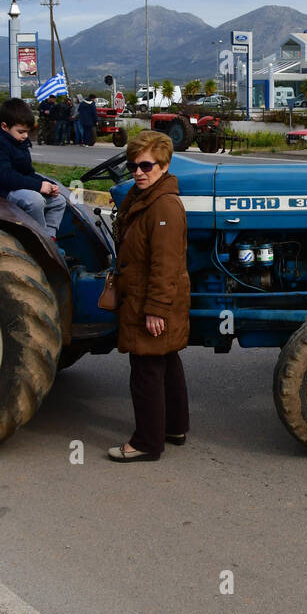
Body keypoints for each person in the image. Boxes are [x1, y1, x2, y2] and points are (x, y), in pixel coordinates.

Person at [109, 129, 190, 462]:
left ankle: (146, 443)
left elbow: (166, 265)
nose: (138, 172)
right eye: (133, 166)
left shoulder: (164, 207)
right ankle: (173, 427)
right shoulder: (144, 197)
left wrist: (156, 309)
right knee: (165, 362)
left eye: (146, 166)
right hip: (147, 296)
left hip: (151, 300)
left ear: (165, 165)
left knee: (146, 370)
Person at [0, 98, 67, 238]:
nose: (25, 136)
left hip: (14, 186)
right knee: (34, 200)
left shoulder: (16, 141)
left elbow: (27, 172)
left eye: (27, 132)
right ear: (5, 126)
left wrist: (49, 185)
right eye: (21, 131)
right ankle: (39, 241)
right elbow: (3, 176)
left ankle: (49, 238)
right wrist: (38, 186)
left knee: (59, 201)